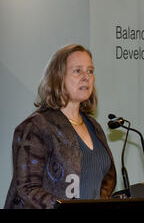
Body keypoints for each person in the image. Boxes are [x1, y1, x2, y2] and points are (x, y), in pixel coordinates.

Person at [4, 44, 116, 209]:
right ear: (57, 77)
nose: (86, 77)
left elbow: (105, 181)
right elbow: (27, 190)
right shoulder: (36, 126)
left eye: (90, 71)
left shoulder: (94, 127)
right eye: (77, 71)